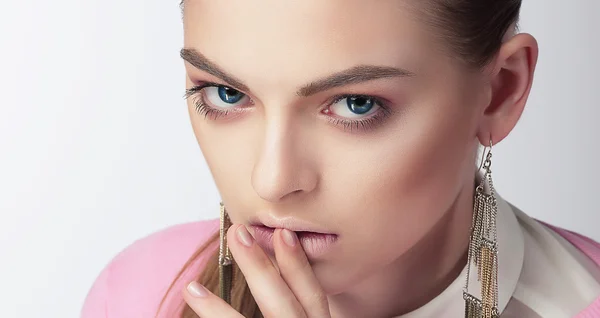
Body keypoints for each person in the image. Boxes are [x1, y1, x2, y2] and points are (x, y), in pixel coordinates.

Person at [81, 0, 600, 317]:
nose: (272, 180)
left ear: (500, 92)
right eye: (226, 94)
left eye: (357, 104)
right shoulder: (144, 293)